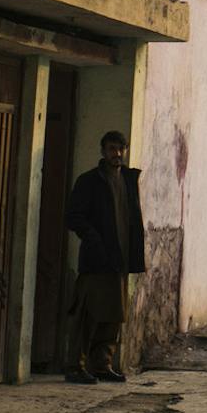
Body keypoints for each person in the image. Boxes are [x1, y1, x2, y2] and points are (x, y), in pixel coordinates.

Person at [64, 130, 146, 384]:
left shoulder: (128, 180)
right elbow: (74, 217)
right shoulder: (89, 181)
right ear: (103, 151)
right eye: (112, 149)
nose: (117, 154)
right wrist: (94, 238)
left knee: (113, 316)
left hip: (120, 261)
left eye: (121, 149)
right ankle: (75, 366)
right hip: (97, 261)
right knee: (88, 315)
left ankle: (102, 364)